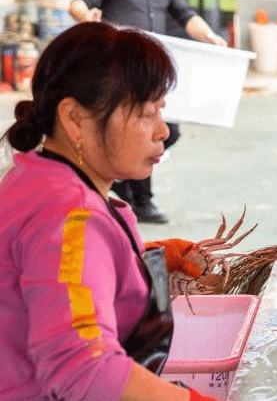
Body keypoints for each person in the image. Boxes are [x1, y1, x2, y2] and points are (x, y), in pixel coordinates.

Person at [0, 21, 222, 401]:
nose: (162, 131)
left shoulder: (35, 177)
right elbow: (82, 366)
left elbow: (56, 275)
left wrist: (146, 259)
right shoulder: (69, 214)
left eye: (161, 110)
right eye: (144, 113)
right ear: (74, 120)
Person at [69, 0, 227, 224]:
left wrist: (209, 35)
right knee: (137, 130)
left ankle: (124, 183)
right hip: (119, 69)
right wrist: (86, 18)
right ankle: (141, 200)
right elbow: (79, 3)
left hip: (154, 70)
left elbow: (186, 16)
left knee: (170, 131)